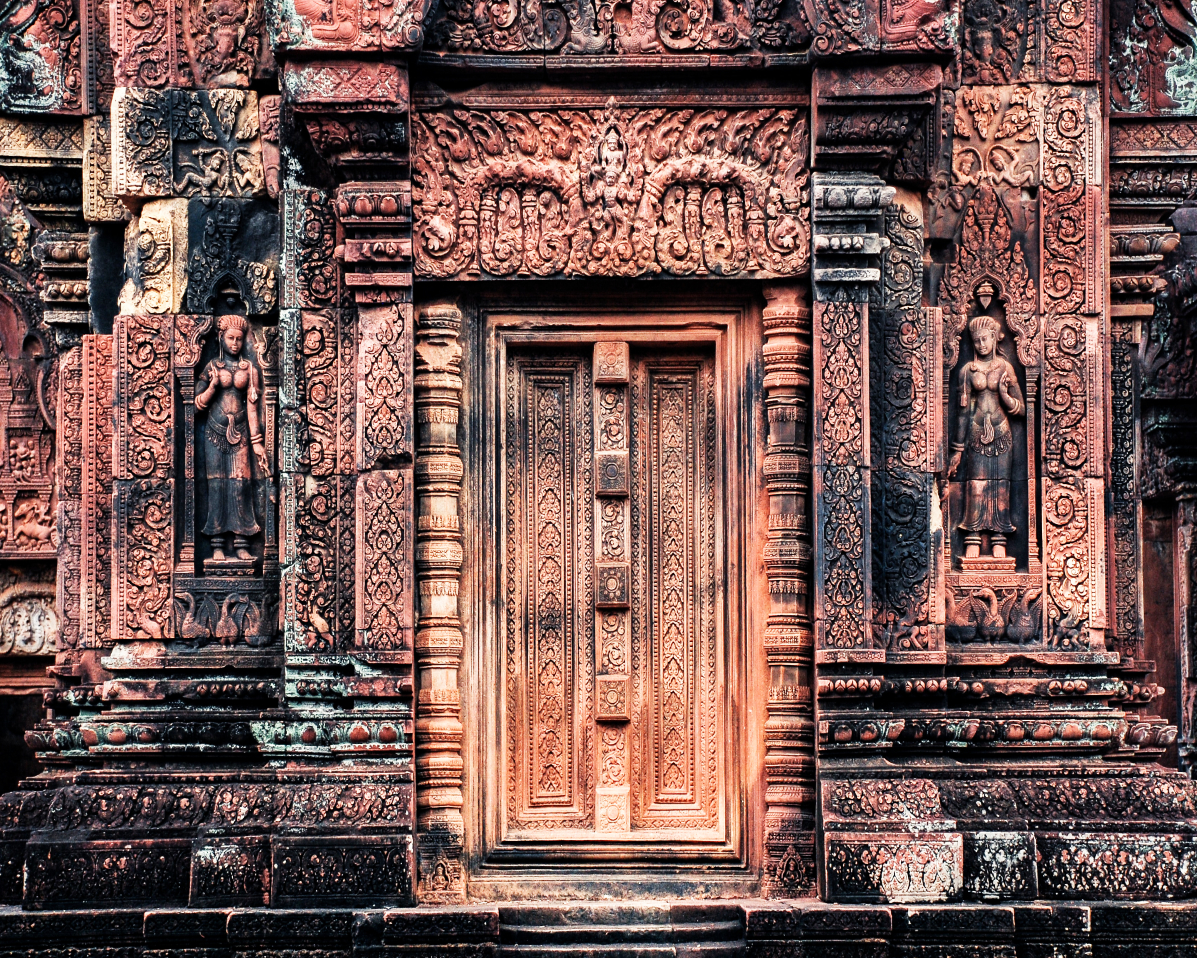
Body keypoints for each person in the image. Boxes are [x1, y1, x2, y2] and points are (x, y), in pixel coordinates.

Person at [947, 307, 1024, 561]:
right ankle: (973, 538)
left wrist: (1004, 395)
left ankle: (999, 538)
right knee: (975, 486)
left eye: (985, 339)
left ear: (995, 337)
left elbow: (1022, 409)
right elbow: (961, 413)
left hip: (1002, 433)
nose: (981, 344)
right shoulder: (967, 371)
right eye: (976, 340)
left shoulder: (1005, 367)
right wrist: (957, 450)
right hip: (976, 435)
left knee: (1001, 486)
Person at [195, 314, 268, 562]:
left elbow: (251, 407)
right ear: (221, 338)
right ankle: (216, 544)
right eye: (231, 338)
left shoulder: (250, 369)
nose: (235, 343)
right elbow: (195, 405)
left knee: (241, 484)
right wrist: (213, 386)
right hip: (214, 434)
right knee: (216, 486)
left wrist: (258, 443)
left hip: (242, 435)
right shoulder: (212, 367)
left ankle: (241, 542)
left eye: (239, 339)